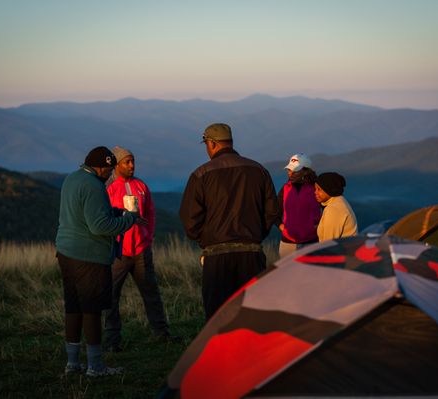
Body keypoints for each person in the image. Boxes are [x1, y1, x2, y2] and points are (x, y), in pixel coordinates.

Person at [55, 146, 144, 377]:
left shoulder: (72, 179)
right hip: (89, 257)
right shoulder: (94, 185)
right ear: (100, 166)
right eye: (109, 169)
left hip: (66, 253)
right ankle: (96, 366)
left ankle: (72, 364)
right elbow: (99, 226)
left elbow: (85, 213)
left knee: (73, 308)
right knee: (92, 310)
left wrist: (113, 210)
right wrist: (129, 219)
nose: (110, 174)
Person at [179, 123, 279, 320]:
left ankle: (221, 350)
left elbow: (189, 217)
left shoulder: (201, 174)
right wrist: (256, 234)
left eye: (207, 144)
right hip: (251, 254)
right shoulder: (258, 170)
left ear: (213, 144)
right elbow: (272, 211)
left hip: (217, 257)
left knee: (218, 317)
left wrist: (204, 239)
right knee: (252, 313)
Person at [103, 146, 174, 352]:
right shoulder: (109, 189)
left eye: (133, 161)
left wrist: (148, 237)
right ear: (117, 165)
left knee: (151, 292)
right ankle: (112, 340)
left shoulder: (141, 186)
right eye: (127, 162)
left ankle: (161, 333)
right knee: (111, 296)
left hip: (142, 250)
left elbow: (150, 213)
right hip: (118, 252)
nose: (132, 165)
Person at [276, 153, 321, 259]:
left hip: (311, 242)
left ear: (305, 171)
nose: (289, 173)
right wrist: (281, 226)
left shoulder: (317, 188)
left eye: (293, 170)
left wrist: (318, 227)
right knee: (288, 275)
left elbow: (328, 209)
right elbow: (275, 210)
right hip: (288, 243)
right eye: (289, 170)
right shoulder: (286, 188)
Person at [314, 172, 358, 241]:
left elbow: (328, 244)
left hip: (341, 251)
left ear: (329, 189)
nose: (315, 192)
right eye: (315, 189)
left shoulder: (333, 209)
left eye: (319, 189)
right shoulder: (339, 201)